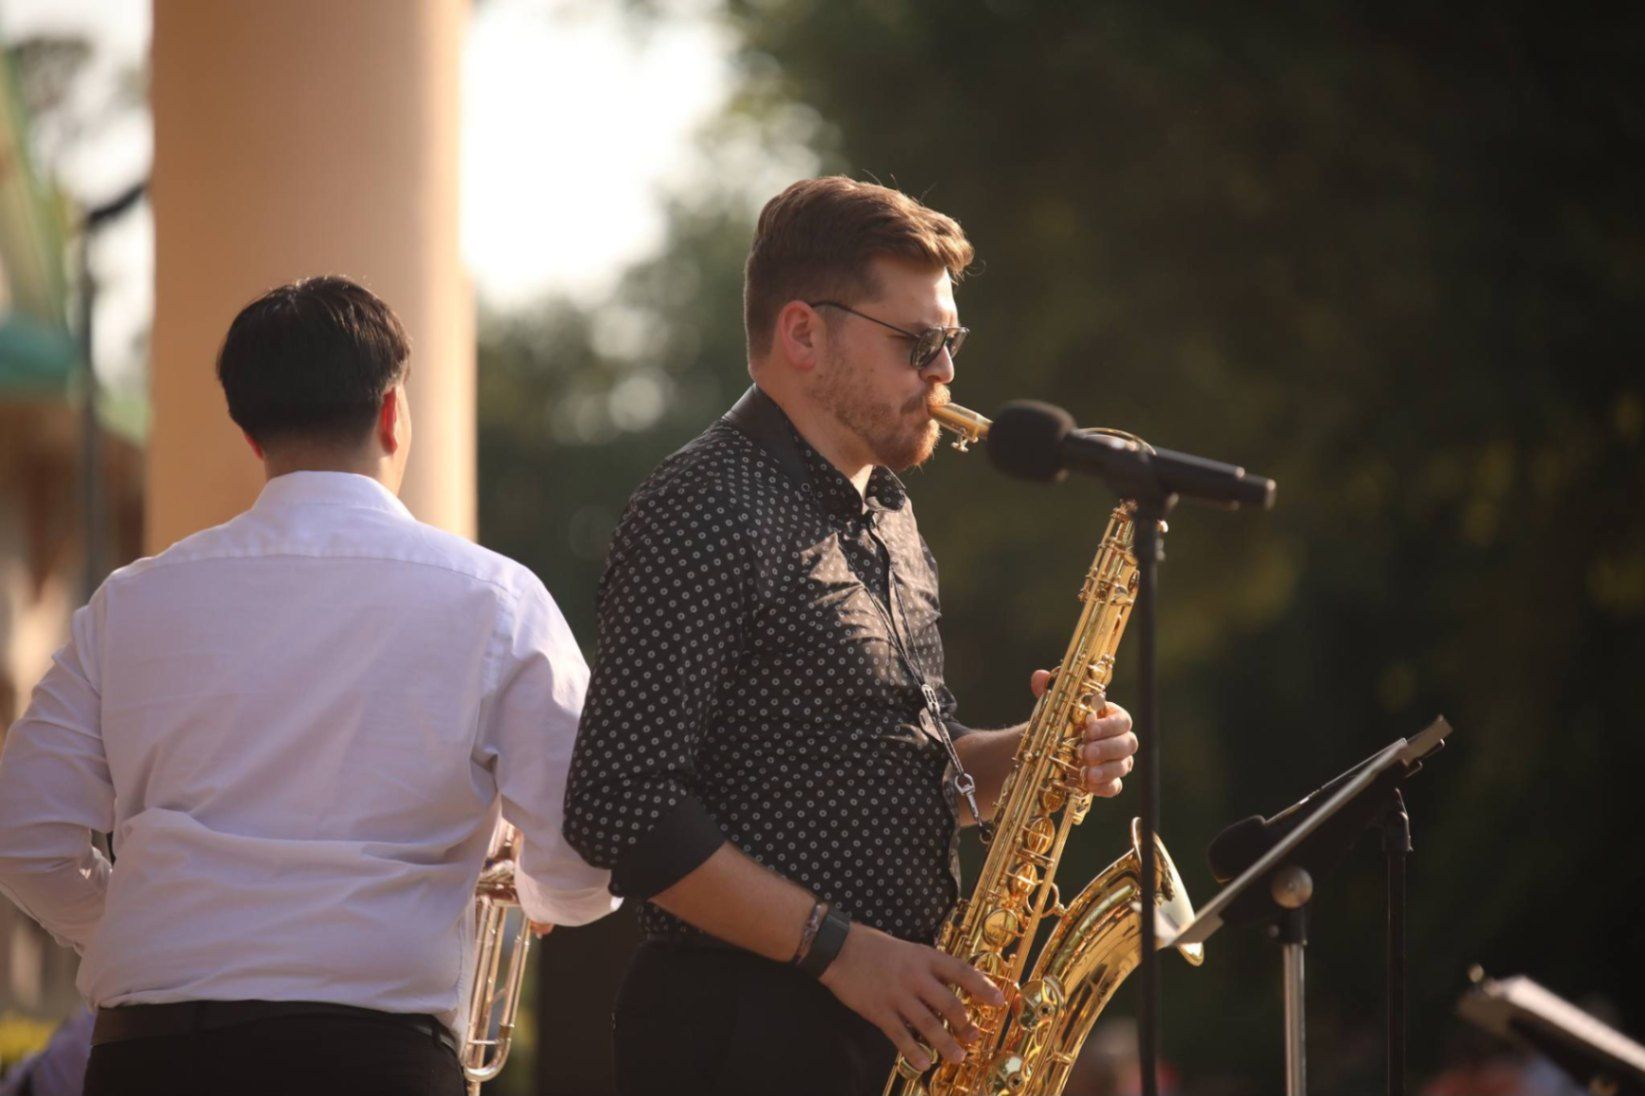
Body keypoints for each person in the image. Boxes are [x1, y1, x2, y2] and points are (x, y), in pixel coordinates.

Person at [564, 177, 1140, 1096]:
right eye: (919, 344)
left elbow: (910, 769)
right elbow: (619, 806)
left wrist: (1031, 757)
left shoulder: (891, 514)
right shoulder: (701, 506)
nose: (944, 373)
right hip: (742, 1028)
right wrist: (839, 950)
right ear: (802, 333)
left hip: (871, 1024)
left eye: (951, 343)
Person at [0, 276, 617, 1096]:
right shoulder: (496, 599)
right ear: (393, 411)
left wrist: (144, 926)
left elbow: (22, 831)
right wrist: (535, 890)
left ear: (251, 434)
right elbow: (590, 853)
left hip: (149, 1055)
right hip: (370, 1059)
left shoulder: (131, 602)